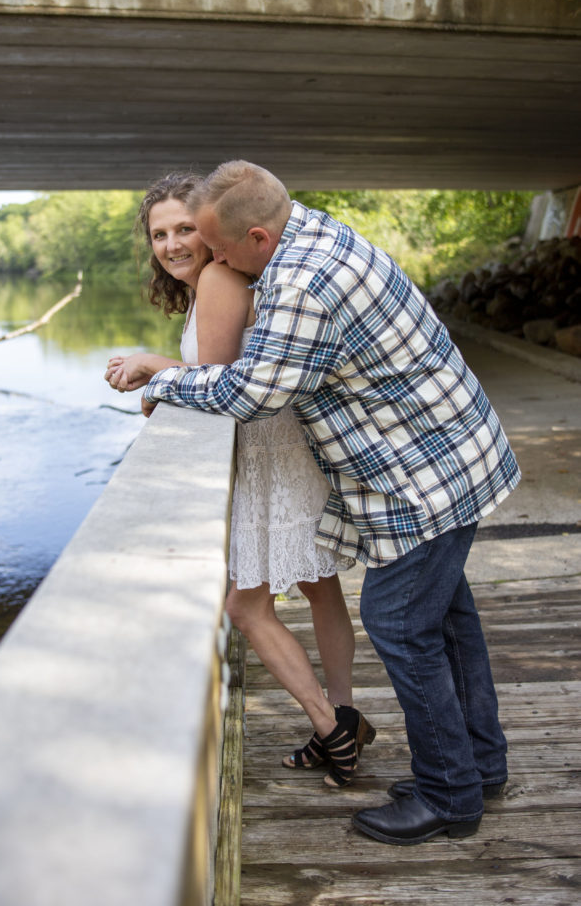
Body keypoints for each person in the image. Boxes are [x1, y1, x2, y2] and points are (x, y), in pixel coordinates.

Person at [135, 160, 521, 846]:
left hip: (422, 475)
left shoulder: (302, 282)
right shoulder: (313, 231)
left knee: (398, 621)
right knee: (448, 621)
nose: (215, 262)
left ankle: (449, 795)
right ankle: (477, 767)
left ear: (256, 235)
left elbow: (251, 392)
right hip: (453, 455)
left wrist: (165, 384)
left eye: (220, 249)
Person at [105, 172, 376, 789]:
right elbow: (222, 371)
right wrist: (166, 380)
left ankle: (330, 725)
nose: (173, 244)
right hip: (282, 445)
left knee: (245, 607)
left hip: (266, 454)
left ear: (207, 231)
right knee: (320, 587)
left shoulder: (221, 278)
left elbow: (220, 379)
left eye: (183, 230)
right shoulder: (219, 279)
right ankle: (347, 716)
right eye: (159, 234)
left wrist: (153, 369)